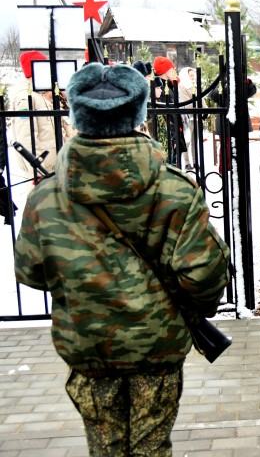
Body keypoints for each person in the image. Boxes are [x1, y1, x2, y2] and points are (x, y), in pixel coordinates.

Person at [13, 63, 231, 457]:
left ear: (78, 117)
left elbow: (31, 272)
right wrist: (181, 308)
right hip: (156, 345)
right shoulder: (175, 191)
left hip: (88, 346)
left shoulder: (45, 199)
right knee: (151, 447)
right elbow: (205, 273)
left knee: (105, 448)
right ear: (139, 114)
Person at [7, 50, 65, 179]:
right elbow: (26, 138)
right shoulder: (25, 97)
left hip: (54, 167)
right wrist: (38, 170)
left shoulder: (41, 92)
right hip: (42, 170)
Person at [153, 56, 185, 166]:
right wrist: (174, 138)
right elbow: (167, 116)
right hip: (170, 136)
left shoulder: (168, 85)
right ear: (164, 71)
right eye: (171, 69)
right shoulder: (161, 89)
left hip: (174, 133)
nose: (173, 71)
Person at [177, 66, 198, 171]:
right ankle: (186, 162)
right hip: (188, 118)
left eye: (193, 75)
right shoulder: (182, 86)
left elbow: (200, 98)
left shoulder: (194, 85)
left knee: (195, 141)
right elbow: (187, 102)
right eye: (190, 75)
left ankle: (195, 161)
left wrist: (205, 110)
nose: (192, 77)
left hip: (197, 117)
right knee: (187, 141)